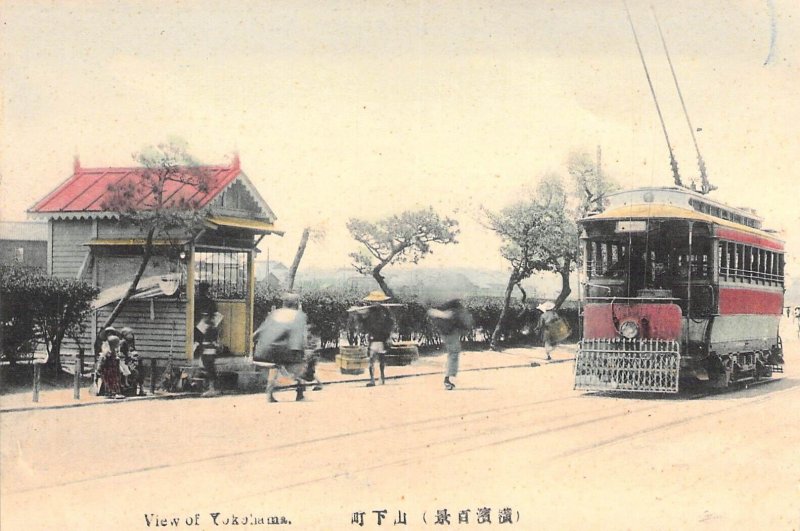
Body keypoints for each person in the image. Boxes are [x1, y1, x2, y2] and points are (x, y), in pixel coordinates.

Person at [253, 293, 314, 402]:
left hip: (265, 350)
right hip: (284, 349)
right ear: (296, 303)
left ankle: (270, 393)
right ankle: (300, 394)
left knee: (274, 367)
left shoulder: (274, 313)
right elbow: (298, 338)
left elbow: (259, 331)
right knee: (300, 365)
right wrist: (301, 352)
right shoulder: (299, 315)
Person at [428, 299, 473, 390]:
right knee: (454, 353)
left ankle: (449, 377)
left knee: (453, 353)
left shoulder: (445, 304)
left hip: (447, 332)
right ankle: (449, 378)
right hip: (450, 332)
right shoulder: (452, 307)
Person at [354, 291, 395, 387]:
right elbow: (364, 322)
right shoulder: (370, 311)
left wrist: (389, 336)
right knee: (371, 360)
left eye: (376, 301)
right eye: (373, 301)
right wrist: (359, 313)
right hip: (373, 338)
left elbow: (390, 324)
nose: (374, 303)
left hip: (382, 338)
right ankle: (372, 379)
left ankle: (382, 377)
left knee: (381, 360)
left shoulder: (386, 311)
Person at [194, 282, 222, 397]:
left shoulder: (195, 301)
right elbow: (216, 316)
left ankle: (209, 387)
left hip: (200, 333)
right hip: (208, 337)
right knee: (207, 362)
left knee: (205, 361)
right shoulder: (210, 303)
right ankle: (208, 386)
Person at [119, 327, 145, 396]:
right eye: (129, 334)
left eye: (131, 334)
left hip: (131, 360)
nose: (131, 336)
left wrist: (135, 356)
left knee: (140, 365)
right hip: (124, 361)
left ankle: (141, 387)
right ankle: (138, 387)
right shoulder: (122, 342)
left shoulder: (131, 343)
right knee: (136, 369)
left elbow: (132, 351)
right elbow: (122, 354)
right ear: (124, 334)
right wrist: (131, 357)